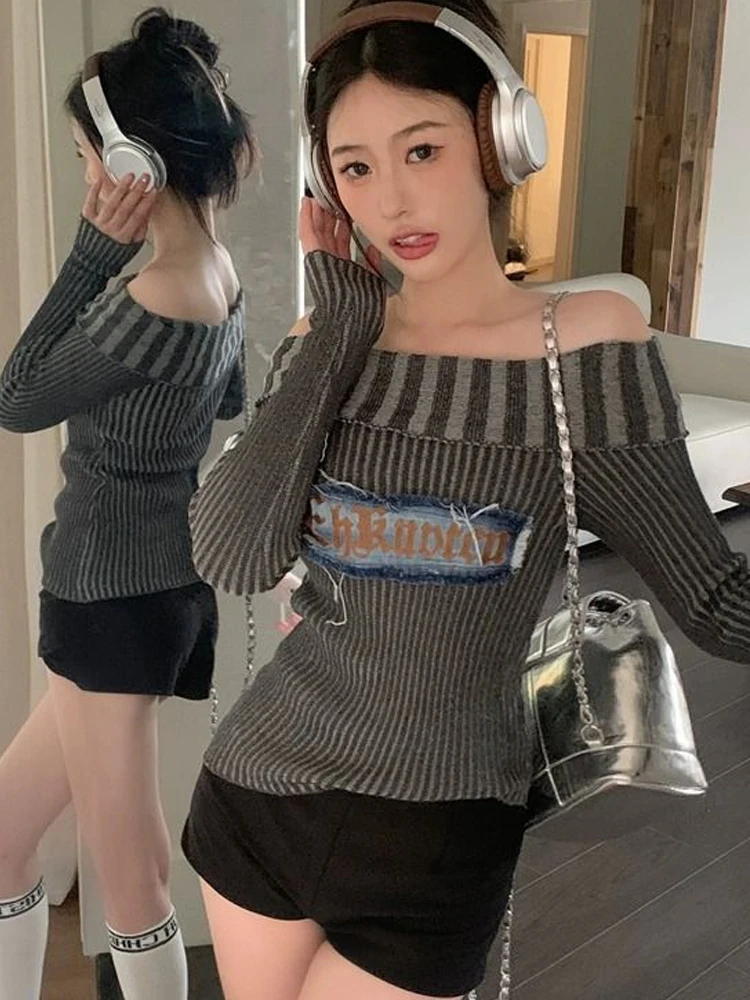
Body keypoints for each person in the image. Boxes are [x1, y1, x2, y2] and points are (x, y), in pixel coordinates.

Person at [182, 2, 750, 998]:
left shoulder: (586, 351)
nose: (393, 197)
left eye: (423, 148)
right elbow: (232, 554)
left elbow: (715, 602)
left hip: (436, 837)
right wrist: (337, 332)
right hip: (256, 794)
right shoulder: (330, 340)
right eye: (355, 167)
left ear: (499, 139)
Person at [0, 8, 253, 1000]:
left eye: (86, 159)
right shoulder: (215, 274)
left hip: (111, 600)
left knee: (133, 879)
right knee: (4, 835)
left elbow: (17, 396)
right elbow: (224, 402)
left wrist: (90, 254)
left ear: (131, 163)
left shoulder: (154, 294)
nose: (87, 182)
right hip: (142, 591)